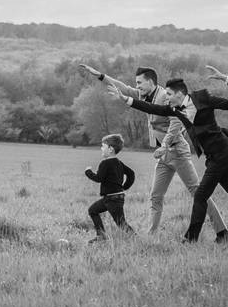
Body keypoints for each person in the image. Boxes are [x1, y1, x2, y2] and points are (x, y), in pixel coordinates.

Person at [80, 63, 228, 238]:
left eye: (140, 83)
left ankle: (221, 231)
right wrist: (101, 76)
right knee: (156, 196)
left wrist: (165, 144)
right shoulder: (145, 95)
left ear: (151, 82)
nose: (137, 86)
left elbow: (176, 122)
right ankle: (151, 235)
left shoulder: (166, 97)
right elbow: (124, 89)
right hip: (163, 155)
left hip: (177, 151)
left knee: (197, 192)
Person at [84, 133, 136, 243]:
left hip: (112, 199)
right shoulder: (118, 162)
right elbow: (131, 174)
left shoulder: (105, 163)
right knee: (93, 210)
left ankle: (136, 239)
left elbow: (98, 178)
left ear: (110, 149)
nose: (101, 148)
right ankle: (101, 235)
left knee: (121, 223)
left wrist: (88, 172)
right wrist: (124, 187)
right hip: (112, 198)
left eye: (103, 146)